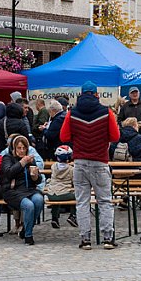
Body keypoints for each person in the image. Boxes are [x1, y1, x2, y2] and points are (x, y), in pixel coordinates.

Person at [60, 80, 120, 250]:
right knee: (105, 201)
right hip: (100, 161)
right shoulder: (106, 112)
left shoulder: (72, 113)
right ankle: (108, 238)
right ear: (96, 94)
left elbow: (64, 137)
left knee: (82, 202)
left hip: (79, 162)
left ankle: (85, 239)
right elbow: (115, 136)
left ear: (81, 94)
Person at [1, 135, 44, 246]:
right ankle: (28, 236)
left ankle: (25, 229)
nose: (21, 151)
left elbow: (38, 180)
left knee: (39, 200)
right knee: (29, 206)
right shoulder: (7, 158)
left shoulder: (30, 160)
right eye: (19, 148)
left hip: (29, 189)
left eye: (24, 148)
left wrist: (35, 177)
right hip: (13, 191)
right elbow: (8, 173)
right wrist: (22, 163)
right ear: (14, 148)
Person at [46, 145, 77, 229]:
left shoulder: (53, 166)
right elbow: (74, 182)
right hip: (63, 193)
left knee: (56, 198)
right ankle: (73, 215)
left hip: (51, 194)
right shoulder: (71, 169)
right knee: (77, 196)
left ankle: (54, 218)